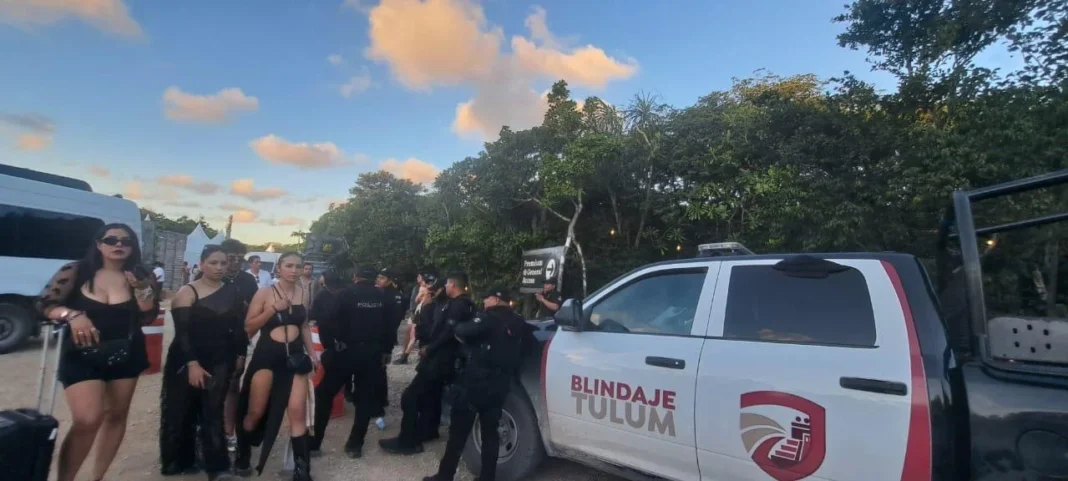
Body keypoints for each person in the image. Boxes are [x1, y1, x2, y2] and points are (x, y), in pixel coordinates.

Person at [35, 223, 160, 481]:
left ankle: (97, 477)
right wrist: (72, 315)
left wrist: (141, 288)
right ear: (99, 244)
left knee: (116, 415)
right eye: (111, 240)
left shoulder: (140, 273)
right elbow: (44, 304)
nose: (119, 244)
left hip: (126, 353)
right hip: (81, 353)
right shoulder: (76, 271)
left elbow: (148, 316)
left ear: (133, 247)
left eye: (126, 241)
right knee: (87, 419)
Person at [423, 285, 529, 481]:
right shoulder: (518, 321)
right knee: (490, 433)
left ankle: (445, 475)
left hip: (476, 383)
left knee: (458, 432)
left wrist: (462, 332)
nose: (484, 302)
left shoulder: (488, 318)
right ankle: (487, 477)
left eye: (487, 298)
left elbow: (462, 330)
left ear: (496, 300)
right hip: (501, 384)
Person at [159, 246, 246, 480]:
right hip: (187, 357)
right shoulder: (187, 292)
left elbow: (239, 328)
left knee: (213, 410)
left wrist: (241, 356)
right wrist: (192, 364)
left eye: (223, 263)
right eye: (213, 263)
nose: (219, 268)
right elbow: (183, 333)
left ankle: (217, 467)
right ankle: (179, 460)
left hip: (221, 358)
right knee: (181, 409)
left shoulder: (233, 291)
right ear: (201, 264)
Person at [235, 252, 319, 481]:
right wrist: (273, 309)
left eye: (298, 266)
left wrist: (313, 354)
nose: (294, 270)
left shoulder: (303, 293)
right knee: (255, 411)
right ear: (279, 268)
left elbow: (303, 326)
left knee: (297, 413)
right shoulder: (264, 293)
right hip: (267, 358)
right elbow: (248, 327)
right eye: (289, 266)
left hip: (295, 359)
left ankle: (302, 471)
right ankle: (243, 453)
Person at [380, 273, 474, 456]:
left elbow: (446, 333)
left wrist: (429, 349)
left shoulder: (457, 306)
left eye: (442, 286)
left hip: (440, 359)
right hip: (445, 358)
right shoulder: (461, 304)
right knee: (432, 395)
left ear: (451, 285)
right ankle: (429, 430)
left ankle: (407, 441)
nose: (433, 292)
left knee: (410, 397)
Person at [312, 267, 395, 458]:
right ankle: (355, 445)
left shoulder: (345, 294)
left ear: (355, 277)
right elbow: (391, 326)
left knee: (324, 394)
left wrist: (330, 345)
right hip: (372, 354)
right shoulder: (384, 297)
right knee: (365, 398)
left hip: (345, 352)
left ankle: (315, 442)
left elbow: (326, 321)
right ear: (375, 279)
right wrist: (387, 351)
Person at [218, 239, 258, 451]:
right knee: (210, 384)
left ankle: (229, 431)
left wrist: (246, 309)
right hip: (211, 339)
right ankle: (206, 430)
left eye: (239, 259)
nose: (234, 263)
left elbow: (255, 311)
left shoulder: (248, 280)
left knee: (233, 383)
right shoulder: (210, 275)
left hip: (238, 338)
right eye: (230, 258)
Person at [373, 268, 405, 423]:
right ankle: (382, 399)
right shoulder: (382, 293)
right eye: (378, 277)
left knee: (379, 369)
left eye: (382, 278)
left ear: (390, 280)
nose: (379, 280)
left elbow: (393, 322)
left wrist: (388, 343)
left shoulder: (393, 296)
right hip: (383, 338)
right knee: (379, 369)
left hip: (384, 339)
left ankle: (379, 402)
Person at [394, 270, 435, 365]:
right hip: (420, 311)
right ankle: (407, 355)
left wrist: (420, 297)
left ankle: (404, 357)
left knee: (413, 335)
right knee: (413, 334)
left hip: (419, 311)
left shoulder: (422, 289)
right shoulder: (431, 290)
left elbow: (416, 299)